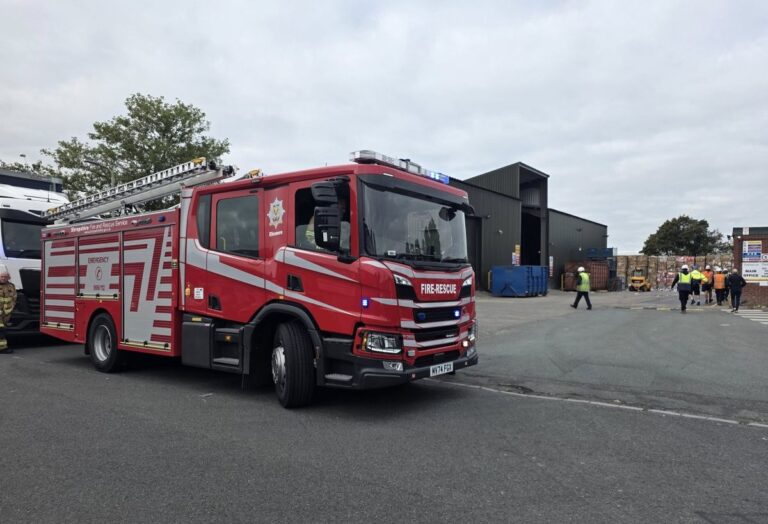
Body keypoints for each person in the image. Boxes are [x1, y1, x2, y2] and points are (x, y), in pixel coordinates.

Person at [0, 265, 17, 354]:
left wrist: (10, 309)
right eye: (2, 276)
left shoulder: (11, 286)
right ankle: (2, 348)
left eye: (5, 277)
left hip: (6, 313)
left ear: (8, 278)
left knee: (3, 329)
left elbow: (13, 298)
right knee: (1, 330)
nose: (3, 278)